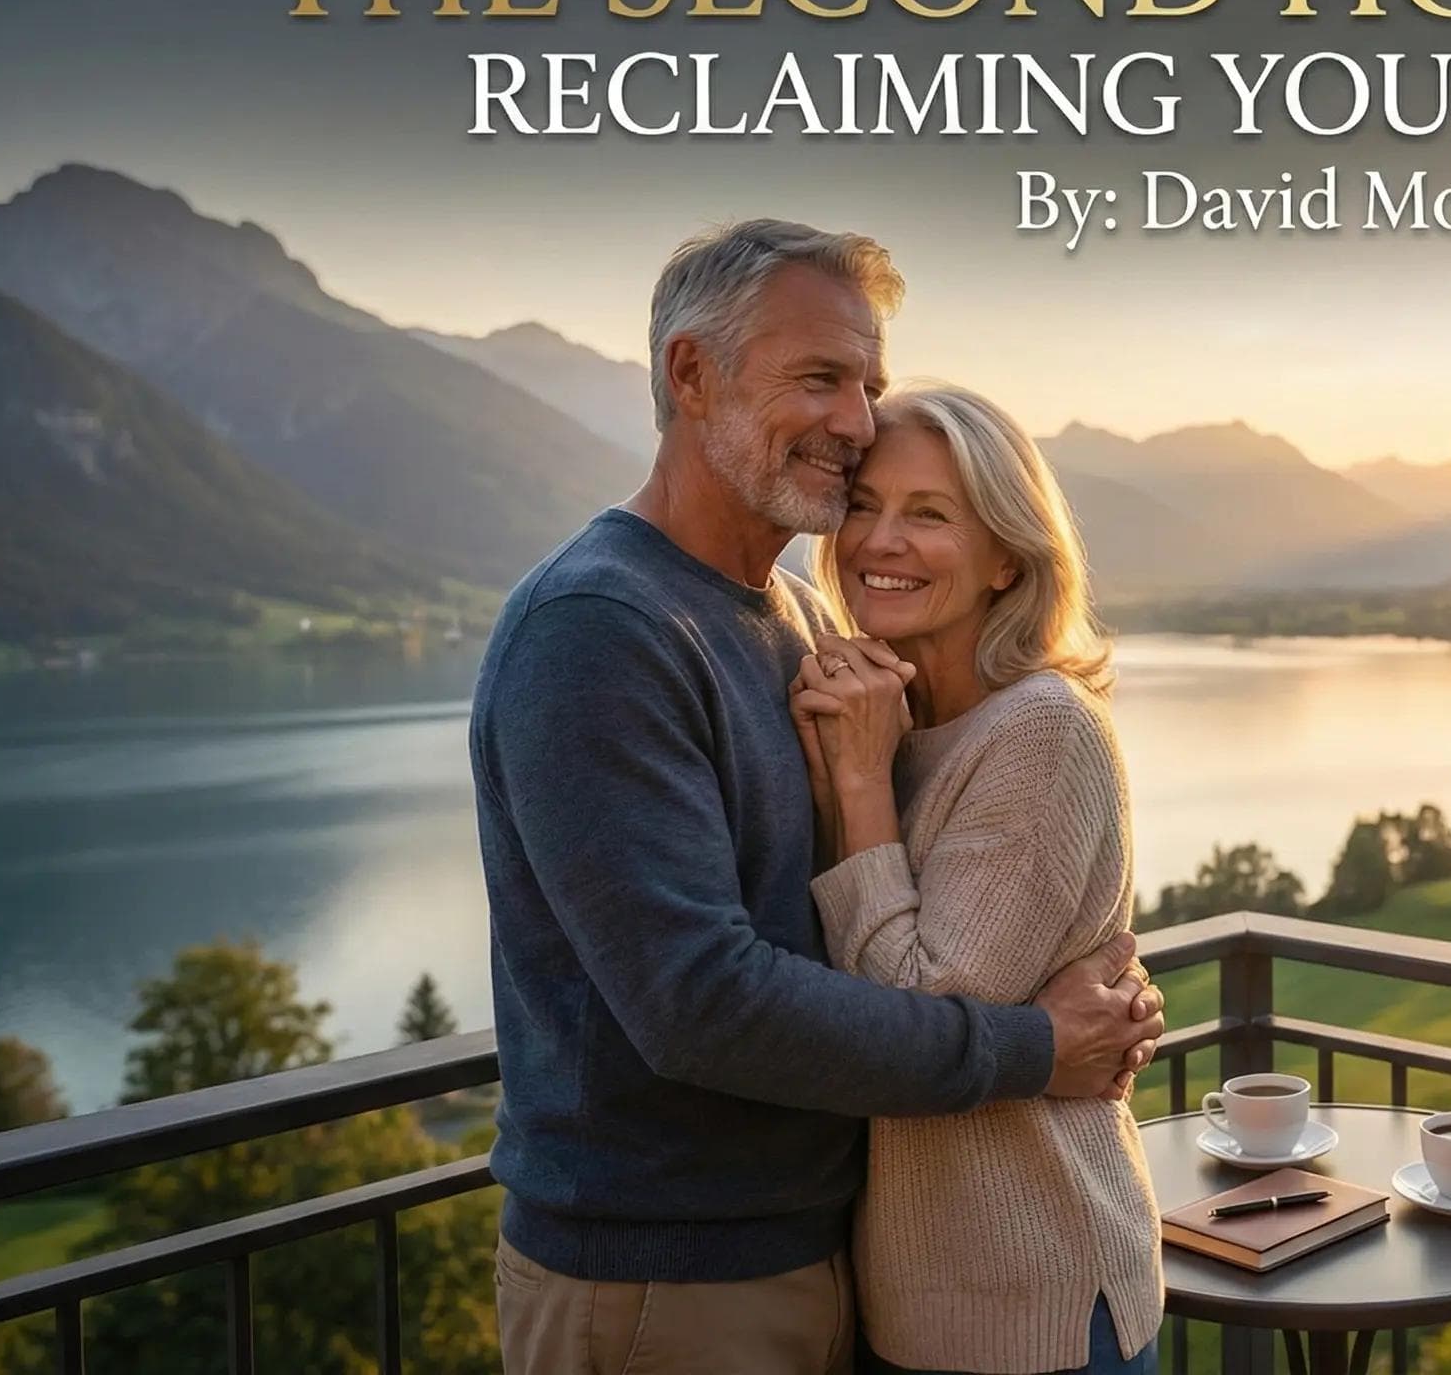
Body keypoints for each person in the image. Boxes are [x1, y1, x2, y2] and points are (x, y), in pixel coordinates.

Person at [470, 222, 1164, 1374]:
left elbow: (921, 898)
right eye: (819, 378)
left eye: (869, 384)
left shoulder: (792, 623)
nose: (853, 421)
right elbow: (701, 1001)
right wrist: (1034, 1048)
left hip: (833, 1256)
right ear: (691, 376)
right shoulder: (598, 629)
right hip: (663, 1279)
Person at [790, 382, 1159, 1374]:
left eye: (928, 515)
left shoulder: (1037, 728)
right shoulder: (904, 724)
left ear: (1006, 557)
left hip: (1032, 1307)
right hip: (913, 1304)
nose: (879, 541)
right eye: (864, 504)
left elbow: (923, 1017)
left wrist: (858, 782)